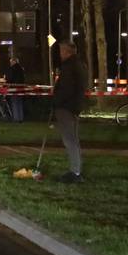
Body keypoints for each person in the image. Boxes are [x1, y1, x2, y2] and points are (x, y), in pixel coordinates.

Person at [52, 42, 87, 183]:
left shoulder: (69, 67)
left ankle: (75, 172)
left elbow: (66, 89)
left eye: (61, 51)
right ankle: (76, 169)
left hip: (66, 107)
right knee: (73, 139)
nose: (59, 54)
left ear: (67, 52)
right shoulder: (79, 65)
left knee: (70, 140)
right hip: (74, 106)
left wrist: (55, 101)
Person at [5, 56, 26, 123]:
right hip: (21, 88)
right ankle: (21, 118)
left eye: (11, 62)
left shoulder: (13, 68)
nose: (10, 63)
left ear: (14, 61)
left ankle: (16, 118)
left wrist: (7, 82)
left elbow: (10, 78)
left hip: (14, 87)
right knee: (19, 103)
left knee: (14, 103)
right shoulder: (21, 69)